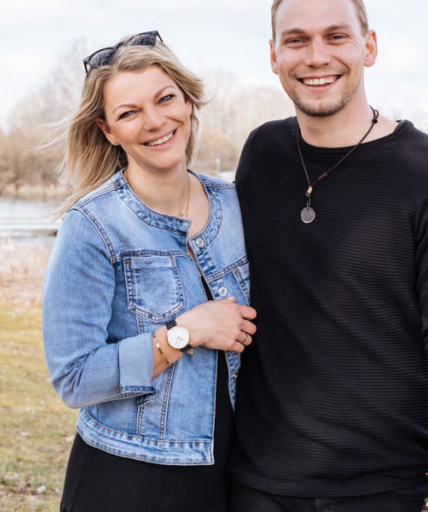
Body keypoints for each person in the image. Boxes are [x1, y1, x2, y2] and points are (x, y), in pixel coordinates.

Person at [229, 0, 428, 512]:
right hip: (255, 484)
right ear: (274, 56)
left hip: (383, 490)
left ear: (368, 47)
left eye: (336, 36)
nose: (316, 56)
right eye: (296, 40)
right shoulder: (261, 155)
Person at [42, 30, 257, 511]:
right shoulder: (92, 227)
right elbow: (74, 377)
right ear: (107, 130)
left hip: (233, 473)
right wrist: (184, 333)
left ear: (188, 101)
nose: (155, 121)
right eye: (129, 112)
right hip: (127, 479)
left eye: (165, 99)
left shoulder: (237, 207)